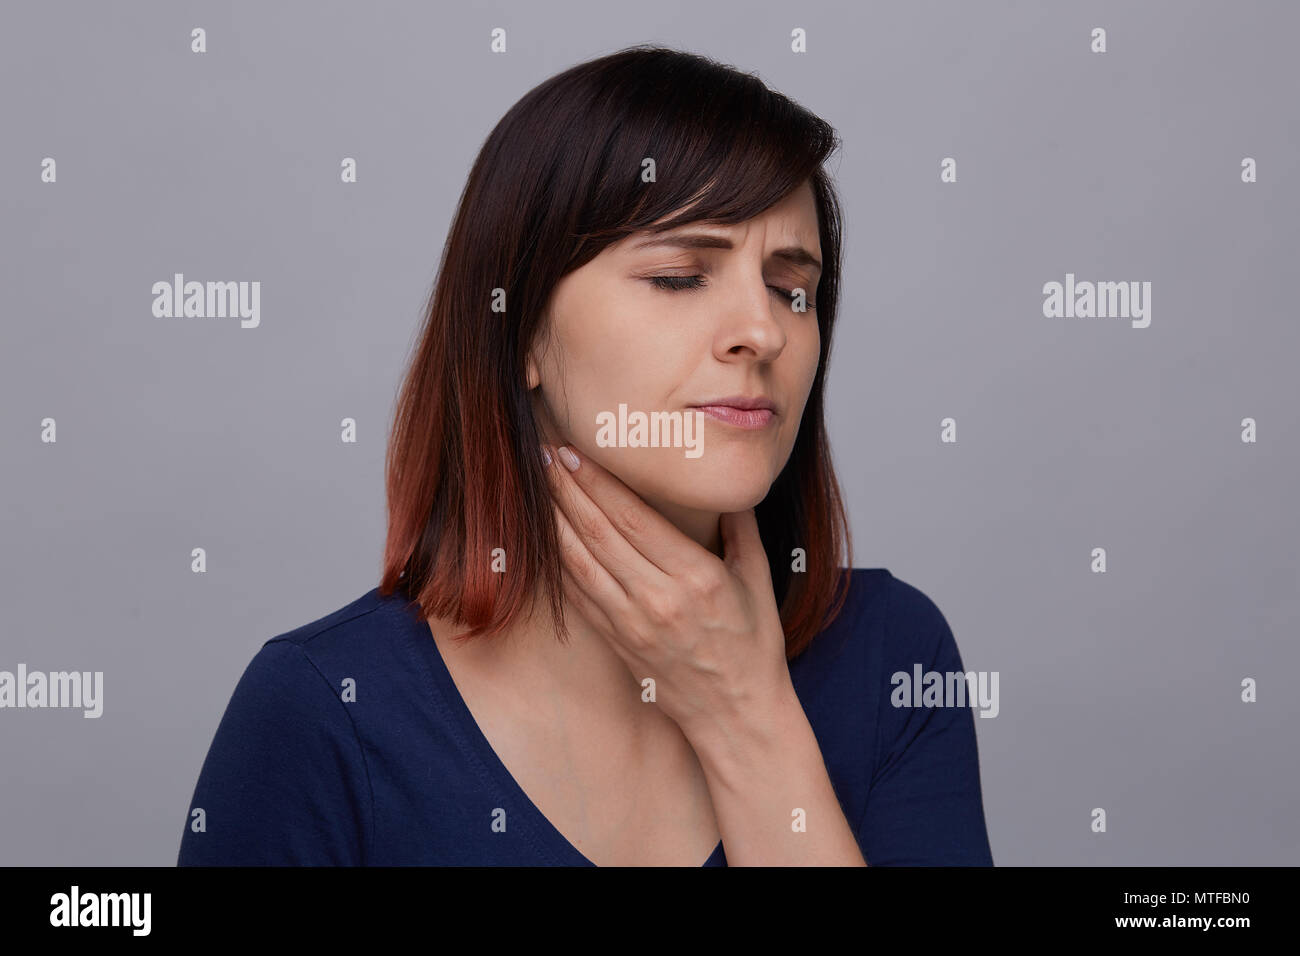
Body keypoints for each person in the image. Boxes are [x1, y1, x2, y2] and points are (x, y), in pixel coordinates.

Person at [177, 44, 994, 867]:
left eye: (793, 288)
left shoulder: (895, 656)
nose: (765, 329)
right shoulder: (322, 708)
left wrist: (749, 721)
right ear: (521, 330)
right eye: (681, 275)